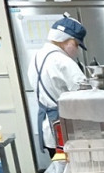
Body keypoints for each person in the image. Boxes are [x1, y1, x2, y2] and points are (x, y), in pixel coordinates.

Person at [27, 15, 87, 157]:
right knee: (74, 166)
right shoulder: (62, 60)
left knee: (59, 164)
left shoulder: (37, 56)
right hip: (65, 130)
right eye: (76, 45)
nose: (77, 50)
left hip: (49, 128)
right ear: (68, 41)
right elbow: (85, 93)